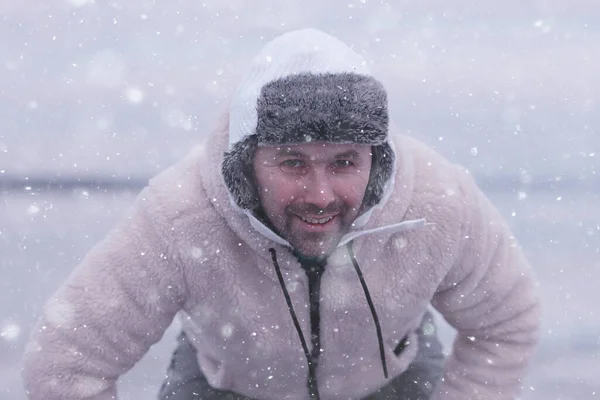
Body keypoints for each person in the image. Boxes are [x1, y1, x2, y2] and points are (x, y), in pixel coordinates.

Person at [21, 28, 542, 400]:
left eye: (344, 162)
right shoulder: (180, 218)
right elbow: (66, 360)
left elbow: (507, 322)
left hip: (391, 378)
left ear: (377, 162)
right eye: (292, 162)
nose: (320, 195)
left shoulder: (436, 203)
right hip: (227, 382)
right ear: (247, 163)